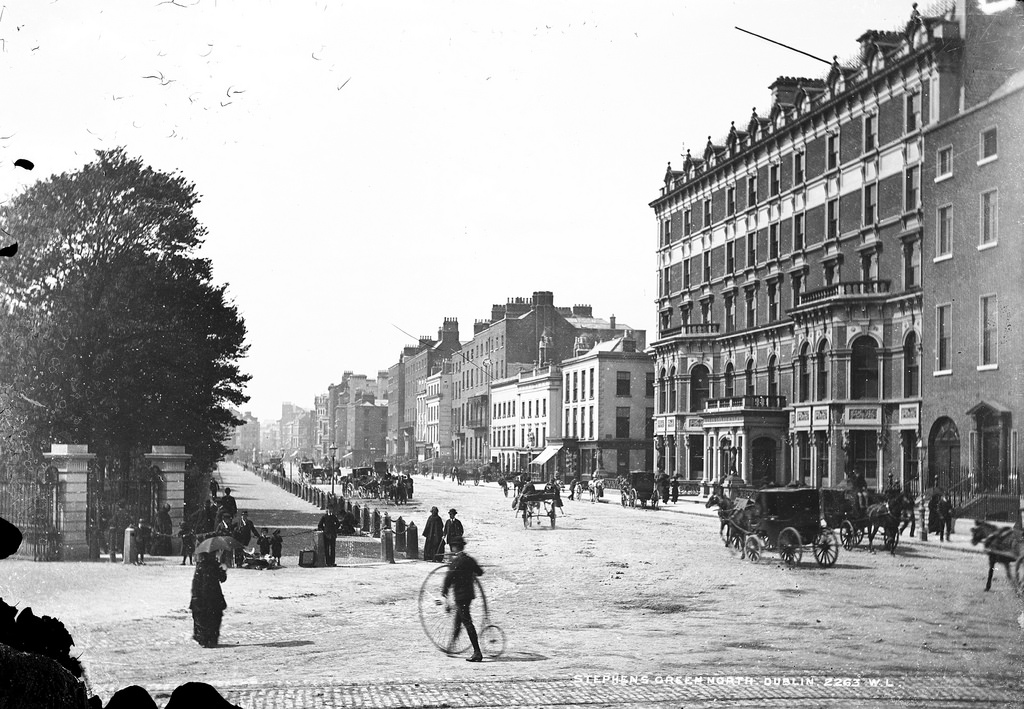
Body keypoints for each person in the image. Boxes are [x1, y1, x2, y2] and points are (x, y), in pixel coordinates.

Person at [441, 536, 484, 662]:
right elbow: (480, 572)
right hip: (469, 595)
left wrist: (444, 593)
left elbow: (448, 579)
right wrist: (470, 573)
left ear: (455, 547)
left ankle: (477, 652)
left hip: (460, 596)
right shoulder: (469, 560)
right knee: (458, 620)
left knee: (467, 622)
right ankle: (451, 646)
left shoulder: (455, 562)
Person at [189, 552, 227, 648]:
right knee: (214, 617)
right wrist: (224, 570)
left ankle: (204, 639)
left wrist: (195, 596)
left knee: (203, 617)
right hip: (213, 595)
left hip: (202, 595)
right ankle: (211, 639)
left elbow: (196, 583)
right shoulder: (215, 565)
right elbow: (222, 579)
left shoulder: (200, 566)